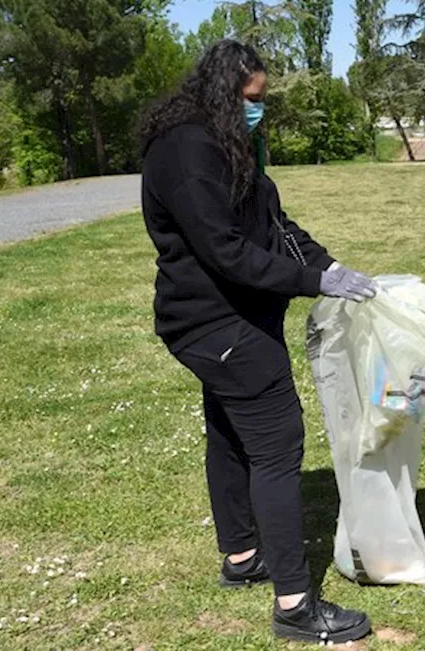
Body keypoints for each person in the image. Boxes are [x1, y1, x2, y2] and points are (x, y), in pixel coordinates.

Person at [137, 39, 375, 645]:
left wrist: (332, 267)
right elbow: (227, 252)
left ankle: (242, 556)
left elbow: (273, 226)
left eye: (261, 100)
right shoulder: (188, 151)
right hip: (217, 325)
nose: (258, 110)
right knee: (276, 446)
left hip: (231, 321)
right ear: (223, 92)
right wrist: (312, 281)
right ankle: (295, 604)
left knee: (230, 434)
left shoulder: (226, 143)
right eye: (252, 99)